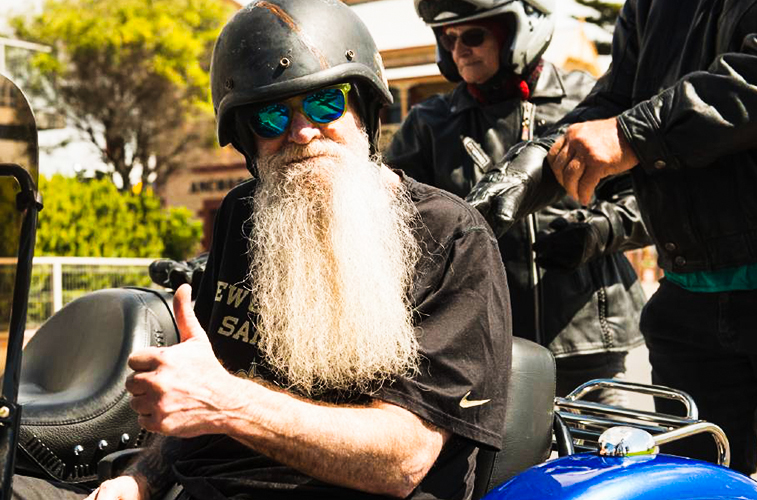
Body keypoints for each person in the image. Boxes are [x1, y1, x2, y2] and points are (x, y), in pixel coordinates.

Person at [88, 1, 512, 499]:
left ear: (365, 109)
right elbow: (201, 396)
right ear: (249, 138)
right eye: (271, 117)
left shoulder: (451, 236)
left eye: (326, 103)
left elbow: (403, 460)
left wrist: (230, 402)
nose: (303, 132)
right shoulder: (244, 215)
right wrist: (139, 479)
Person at [465, 0, 757, 475]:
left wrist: (630, 136)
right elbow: (616, 97)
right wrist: (535, 160)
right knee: (693, 483)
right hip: (688, 298)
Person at [386, 0, 650, 404]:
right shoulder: (429, 123)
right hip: (492, 345)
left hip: (590, 339)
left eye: (474, 35)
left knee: (609, 459)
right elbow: (400, 220)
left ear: (516, 33)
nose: (460, 50)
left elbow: (648, 200)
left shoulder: (587, 101)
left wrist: (599, 231)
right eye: (448, 38)